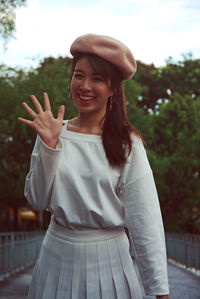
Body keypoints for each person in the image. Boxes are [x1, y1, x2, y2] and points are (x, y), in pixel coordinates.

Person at [18, 33, 170, 299]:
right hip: (55, 258)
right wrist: (49, 146)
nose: (85, 86)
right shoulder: (52, 132)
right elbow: (37, 200)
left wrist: (160, 291)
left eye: (97, 79)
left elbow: (146, 222)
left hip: (110, 264)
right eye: (79, 75)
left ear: (112, 88)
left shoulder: (128, 145)